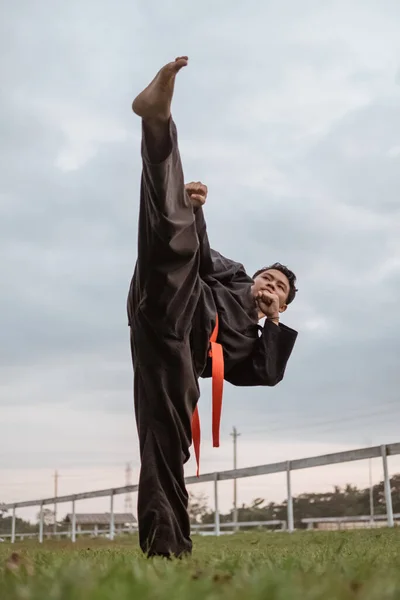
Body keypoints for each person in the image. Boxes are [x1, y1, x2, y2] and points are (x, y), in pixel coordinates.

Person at [127, 56, 298, 558]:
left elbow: (265, 376)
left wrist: (274, 323)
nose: (269, 283)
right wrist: (196, 211)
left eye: (279, 288)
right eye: (270, 276)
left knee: (166, 446)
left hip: (175, 356)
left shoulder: (256, 341)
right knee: (177, 237)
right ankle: (158, 123)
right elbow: (200, 254)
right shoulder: (233, 273)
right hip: (170, 299)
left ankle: (167, 553)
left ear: (280, 305)